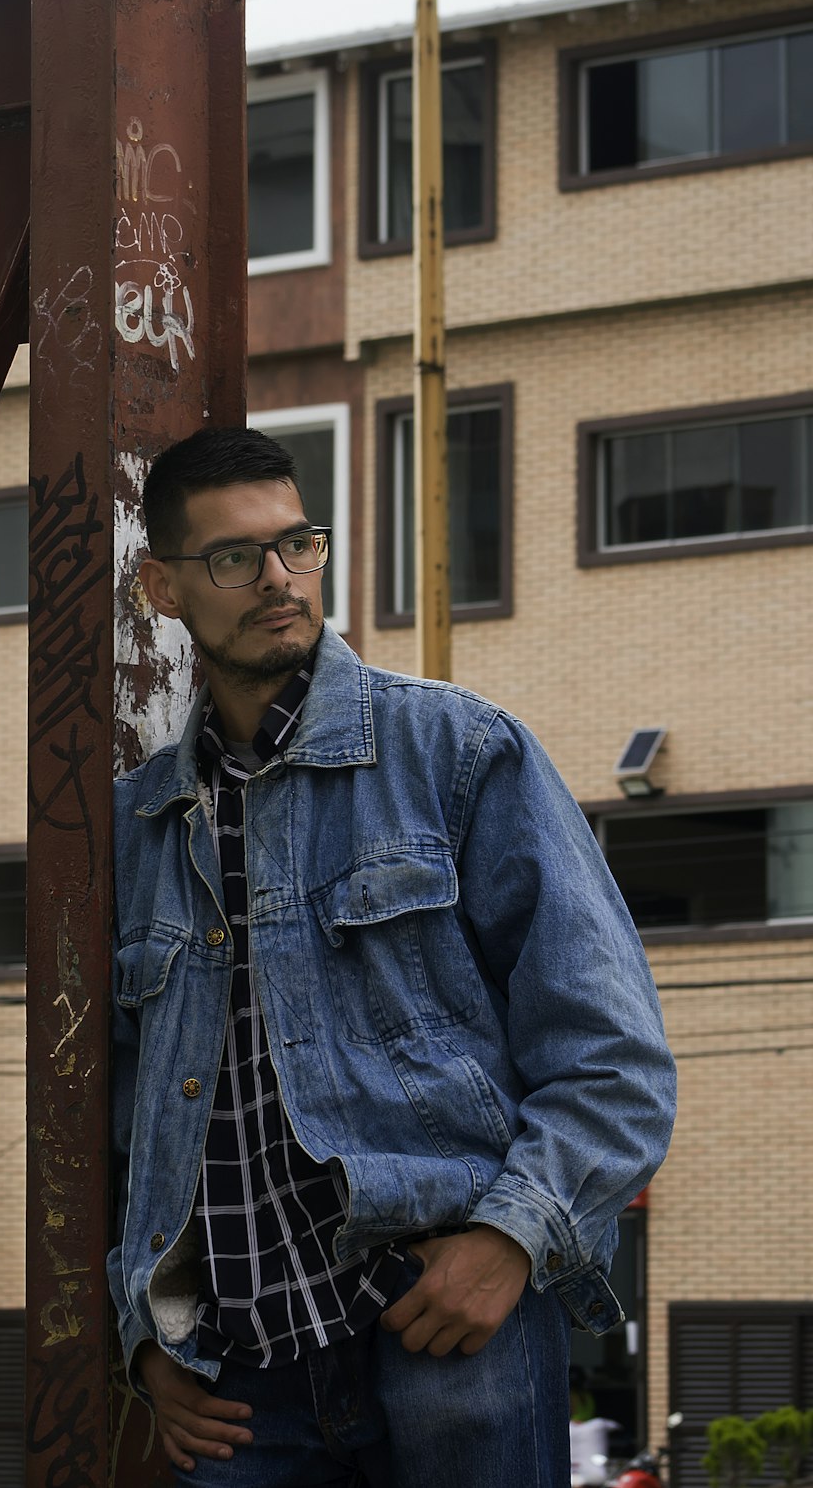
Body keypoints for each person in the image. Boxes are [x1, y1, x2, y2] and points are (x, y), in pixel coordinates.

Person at [108, 426, 676, 1487]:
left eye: (299, 545)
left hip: (449, 1331)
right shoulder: (140, 823)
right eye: (235, 557)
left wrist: (511, 1240)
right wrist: (141, 1335)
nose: (279, 579)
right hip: (235, 1381)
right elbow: (123, 1117)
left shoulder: (458, 751)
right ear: (162, 586)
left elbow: (613, 1056)